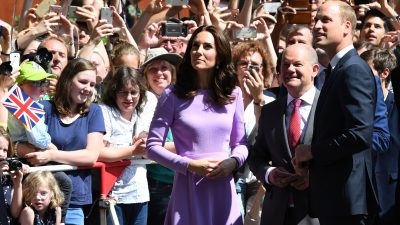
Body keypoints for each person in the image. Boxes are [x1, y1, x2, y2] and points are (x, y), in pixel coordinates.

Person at [146, 25, 248, 225]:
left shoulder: (233, 94)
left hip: (223, 188)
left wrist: (233, 162)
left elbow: (241, 143)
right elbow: (152, 147)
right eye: (195, 46)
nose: (198, 51)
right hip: (187, 188)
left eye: (207, 46)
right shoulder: (172, 94)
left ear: (220, 55)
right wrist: (189, 165)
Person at [293, 1, 378, 225]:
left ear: (347, 27)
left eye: (325, 20)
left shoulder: (353, 70)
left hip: (347, 202)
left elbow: (360, 134)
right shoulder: (337, 69)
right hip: (336, 200)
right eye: (316, 20)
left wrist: (312, 151)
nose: (317, 26)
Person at [21, 58, 105, 225]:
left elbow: (90, 156)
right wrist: (22, 149)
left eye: (92, 84)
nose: (88, 88)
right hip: (39, 200)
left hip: (74, 201)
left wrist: (51, 154)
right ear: (67, 80)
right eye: (83, 82)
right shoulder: (44, 107)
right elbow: (20, 144)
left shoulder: (94, 112)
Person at [249, 43, 320, 225]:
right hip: (277, 213)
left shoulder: (328, 107)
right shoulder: (270, 111)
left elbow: (342, 157)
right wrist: (269, 173)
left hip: (317, 212)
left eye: (297, 64)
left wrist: (314, 178)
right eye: (285, 65)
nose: (290, 69)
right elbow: (257, 157)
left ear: (314, 70)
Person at [7, 61, 72, 224]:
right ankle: (60, 220)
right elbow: (38, 138)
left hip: (23, 157)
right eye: (36, 82)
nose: (42, 87)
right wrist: (52, 148)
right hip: (28, 159)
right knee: (64, 182)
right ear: (20, 85)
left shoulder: (17, 102)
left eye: (44, 81)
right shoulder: (24, 105)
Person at [98, 67, 149, 225]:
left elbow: (149, 151)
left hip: (140, 194)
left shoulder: (142, 115)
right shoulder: (104, 112)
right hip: (113, 194)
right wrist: (133, 150)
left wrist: (145, 141)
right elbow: (99, 152)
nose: (129, 97)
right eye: (123, 92)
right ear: (114, 93)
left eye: (133, 92)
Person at [140, 47, 182, 225]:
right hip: (157, 184)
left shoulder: (185, 99)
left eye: (164, 67)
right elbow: (143, 146)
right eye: (153, 69)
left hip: (184, 180)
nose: (159, 73)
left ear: (172, 73)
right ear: (145, 77)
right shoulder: (141, 102)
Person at [360, 48, 400, 225]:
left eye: (366, 72)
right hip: (361, 195)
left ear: (384, 73)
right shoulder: (358, 108)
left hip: (391, 193)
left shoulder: (397, 104)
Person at [0, 127, 25, 225]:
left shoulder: (7, 173)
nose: (2, 154)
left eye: (5, 150)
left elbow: (15, 213)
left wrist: (17, 184)